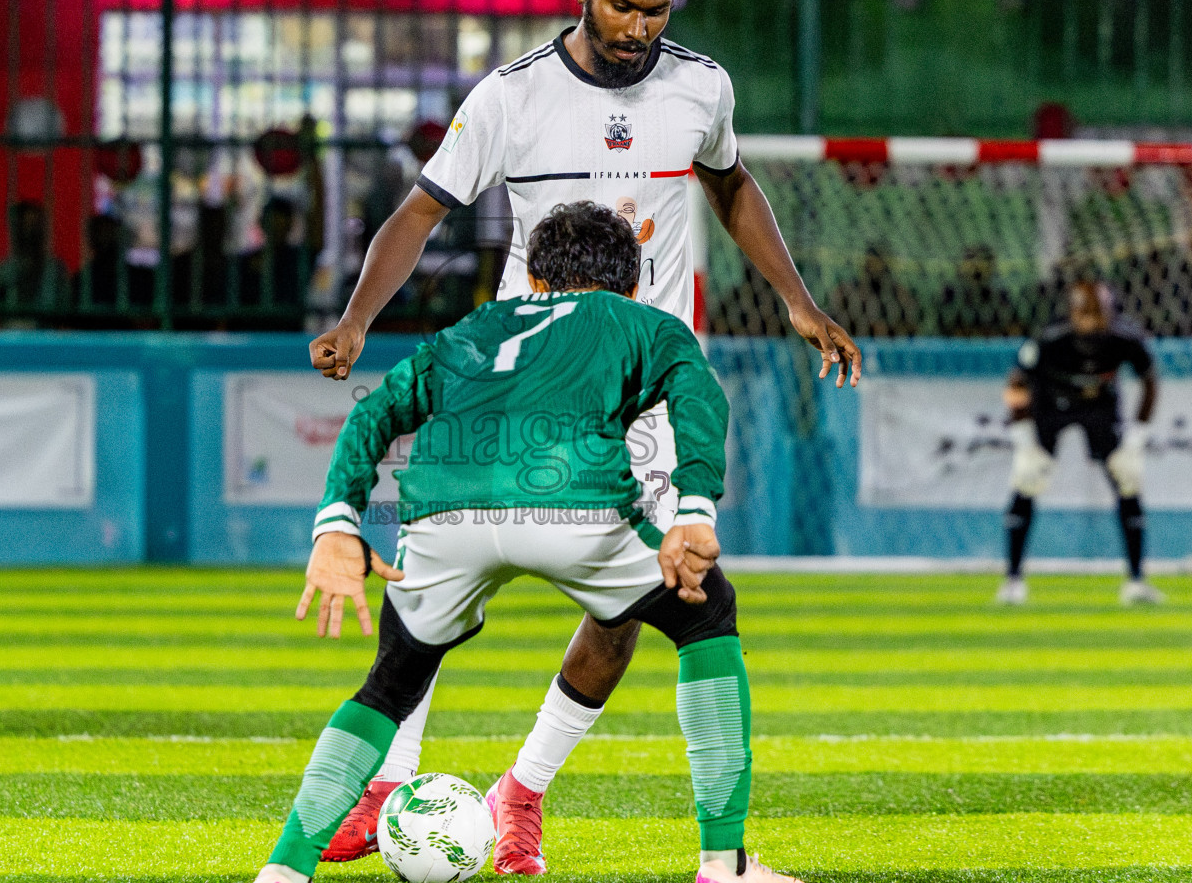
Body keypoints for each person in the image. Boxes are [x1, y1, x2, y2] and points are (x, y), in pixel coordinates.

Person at [307, 0, 861, 874]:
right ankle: (389, 788)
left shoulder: (702, 87)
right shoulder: (511, 99)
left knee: (632, 611)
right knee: (427, 579)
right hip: (525, 381)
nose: (640, 25)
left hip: (645, 379)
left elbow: (731, 186)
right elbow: (421, 211)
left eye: (657, 8)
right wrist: (356, 317)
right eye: (622, 4)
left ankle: (520, 794)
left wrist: (797, 301)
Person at [257, 203, 798, 883]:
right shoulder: (643, 322)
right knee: (705, 612)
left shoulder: (477, 326)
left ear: (533, 282)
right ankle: (725, 864)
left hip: (442, 510)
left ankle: (283, 871)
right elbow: (697, 394)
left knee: (390, 683)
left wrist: (338, 522)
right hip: (571, 502)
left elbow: (375, 412)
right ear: (631, 286)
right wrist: (695, 509)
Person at [1000, 280, 1164, 606]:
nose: (1092, 322)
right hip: (1051, 404)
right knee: (1027, 481)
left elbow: (1150, 381)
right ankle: (1013, 580)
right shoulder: (1050, 339)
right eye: (1085, 314)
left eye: (1098, 314)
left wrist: (1135, 440)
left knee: (1127, 481)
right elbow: (1016, 383)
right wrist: (1024, 442)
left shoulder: (1125, 338)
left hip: (1100, 406)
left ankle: (1136, 581)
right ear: (1073, 314)